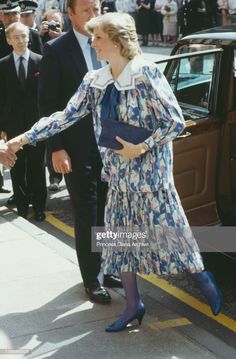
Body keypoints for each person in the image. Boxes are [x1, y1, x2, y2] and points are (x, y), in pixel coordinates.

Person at [7, 12, 223, 332]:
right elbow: (64, 117)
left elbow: (175, 122)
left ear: (118, 41)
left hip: (151, 178)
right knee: (121, 244)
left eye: (98, 38)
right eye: (92, 37)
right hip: (118, 178)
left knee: (172, 236)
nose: (92, 43)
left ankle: (203, 280)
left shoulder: (146, 74)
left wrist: (143, 147)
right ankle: (134, 304)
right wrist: (23, 139)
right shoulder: (95, 81)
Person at [37, 0, 121, 303]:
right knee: (87, 213)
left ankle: (108, 267)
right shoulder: (56, 50)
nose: (93, 15)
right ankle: (92, 279)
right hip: (76, 147)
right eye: (85, 9)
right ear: (70, 13)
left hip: (112, 146)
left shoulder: (112, 42)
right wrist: (56, 148)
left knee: (109, 213)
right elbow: (47, 105)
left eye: (96, 8)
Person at [0, 22, 47, 221]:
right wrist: (1, 128)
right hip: (13, 125)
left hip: (36, 125)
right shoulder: (2, 65)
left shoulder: (42, 62)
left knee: (37, 166)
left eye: (24, 36)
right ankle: (21, 205)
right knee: (17, 167)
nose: (21, 41)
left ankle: (39, 206)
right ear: (9, 40)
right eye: (16, 37)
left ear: (30, 38)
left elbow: (47, 96)